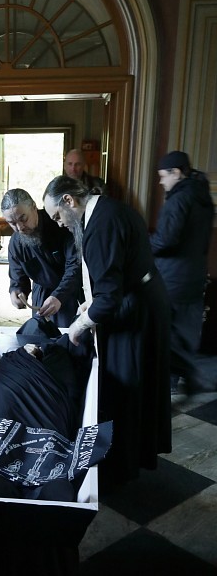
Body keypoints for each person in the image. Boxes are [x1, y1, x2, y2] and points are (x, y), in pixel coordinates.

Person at [43, 175, 172, 486]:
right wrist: (92, 303)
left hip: (135, 311)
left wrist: (79, 325)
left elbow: (110, 297)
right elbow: (115, 275)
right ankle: (130, 457)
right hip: (141, 299)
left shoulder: (100, 225)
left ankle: (121, 468)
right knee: (132, 384)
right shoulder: (108, 209)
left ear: (69, 201)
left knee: (125, 385)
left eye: (57, 216)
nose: (59, 223)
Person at [150, 150, 215, 399]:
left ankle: (171, 381)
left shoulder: (179, 199)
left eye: (163, 176)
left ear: (176, 173)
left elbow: (166, 240)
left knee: (165, 331)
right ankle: (180, 380)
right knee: (186, 331)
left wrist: (143, 243)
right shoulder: (202, 196)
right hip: (195, 275)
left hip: (173, 278)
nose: (161, 181)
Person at [1, 188, 82, 330]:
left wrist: (59, 296)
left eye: (23, 219)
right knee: (42, 334)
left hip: (71, 289)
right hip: (42, 292)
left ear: (34, 207)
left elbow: (75, 267)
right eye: (12, 223)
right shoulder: (16, 242)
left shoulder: (60, 224)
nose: (20, 227)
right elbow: (17, 276)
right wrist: (17, 291)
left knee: (70, 335)